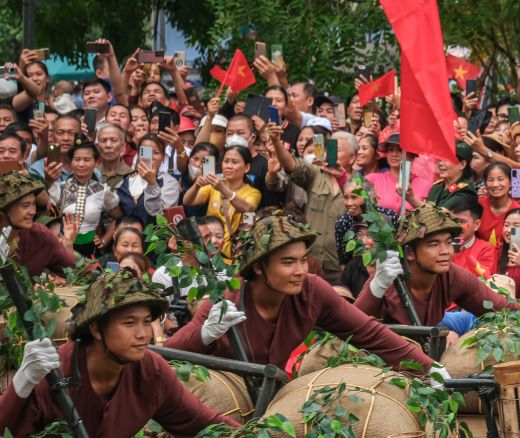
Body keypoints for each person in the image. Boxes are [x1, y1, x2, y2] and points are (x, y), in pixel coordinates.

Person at [166, 211, 436, 373]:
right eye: (288, 262)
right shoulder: (226, 301)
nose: (300, 270)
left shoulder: (312, 290)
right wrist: (203, 335)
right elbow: (165, 357)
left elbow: (367, 332)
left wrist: (430, 369)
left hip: (272, 397)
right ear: (259, 267)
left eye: (303, 259)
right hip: (222, 400)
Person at [0, 270, 238, 438]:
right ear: (96, 329)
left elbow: (202, 423)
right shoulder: (54, 370)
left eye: (147, 322)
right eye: (129, 323)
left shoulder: (151, 370)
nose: (143, 334)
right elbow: (5, 435)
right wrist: (21, 385)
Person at [354, 203, 520, 327]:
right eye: (433, 244)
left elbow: (501, 309)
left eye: (448, 242)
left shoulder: (451, 275)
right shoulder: (388, 277)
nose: (445, 251)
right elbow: (351, 327)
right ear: (410, 252)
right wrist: (377, 287)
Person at [264, 121, 348, 284]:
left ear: (353, 157)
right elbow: (291, 165)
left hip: (341, 267)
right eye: (331, 148)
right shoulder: (316, 174)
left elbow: (367, 209)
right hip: (311, 263)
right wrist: (275, 141)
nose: (331, 154)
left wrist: (344, 179)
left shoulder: (361, 182)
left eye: (338, 149)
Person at [181, 145, 262, 260]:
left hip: (231, 256)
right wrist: (196, 185)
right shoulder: (212, 185)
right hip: (208, 252)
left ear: (247, 167)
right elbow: (187, 201)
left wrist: (222, 188)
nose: (229, 166)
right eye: (226, 161)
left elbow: (248, 208)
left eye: (234, 162)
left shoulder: (253, 192)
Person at [0, 173, 75, 277]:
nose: (33, 212)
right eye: (25, 206)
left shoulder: (40, 234)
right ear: (4, 210)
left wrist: (67, 245)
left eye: (34, 204)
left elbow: (75, 269)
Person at [447, 198, 498, 277]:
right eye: (453, 221)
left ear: (476, 224)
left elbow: (484, 281)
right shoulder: (443, 246)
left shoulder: (486, 249)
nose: (456, 226)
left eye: (462, 221)